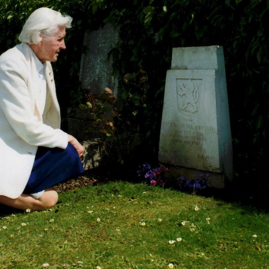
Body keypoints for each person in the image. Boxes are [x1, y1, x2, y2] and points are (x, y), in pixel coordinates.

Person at [0, 7, 85, 211]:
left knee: (68, 159)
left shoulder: (43, 61)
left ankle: (13, 194)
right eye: (59, 39)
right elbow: (25, 126)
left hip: (30, 144)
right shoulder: (9, 64)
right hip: (10, 147)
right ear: (39, 38)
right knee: (68, 152)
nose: (63, 46)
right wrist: (66, 137)